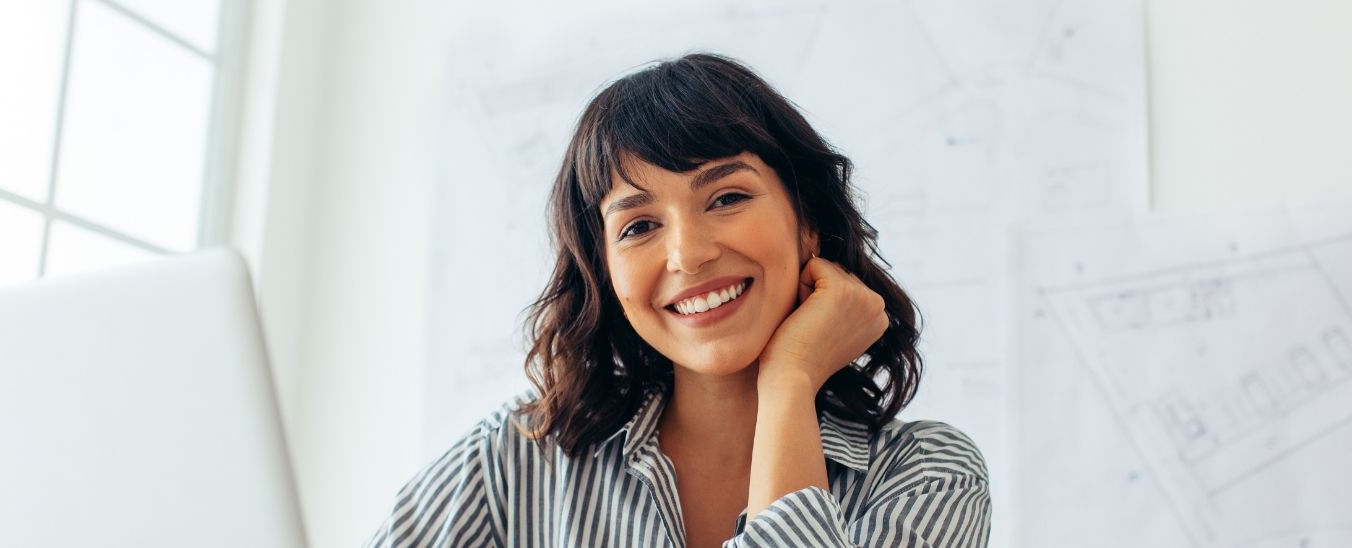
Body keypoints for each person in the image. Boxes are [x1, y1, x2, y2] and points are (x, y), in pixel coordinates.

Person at [366, 53, 991, 548]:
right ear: (605, 271)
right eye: (638, 227)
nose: (687, 255)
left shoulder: (930, 476)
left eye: (726, 199)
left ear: (808, 223)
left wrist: (790, 381)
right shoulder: (517, 457)